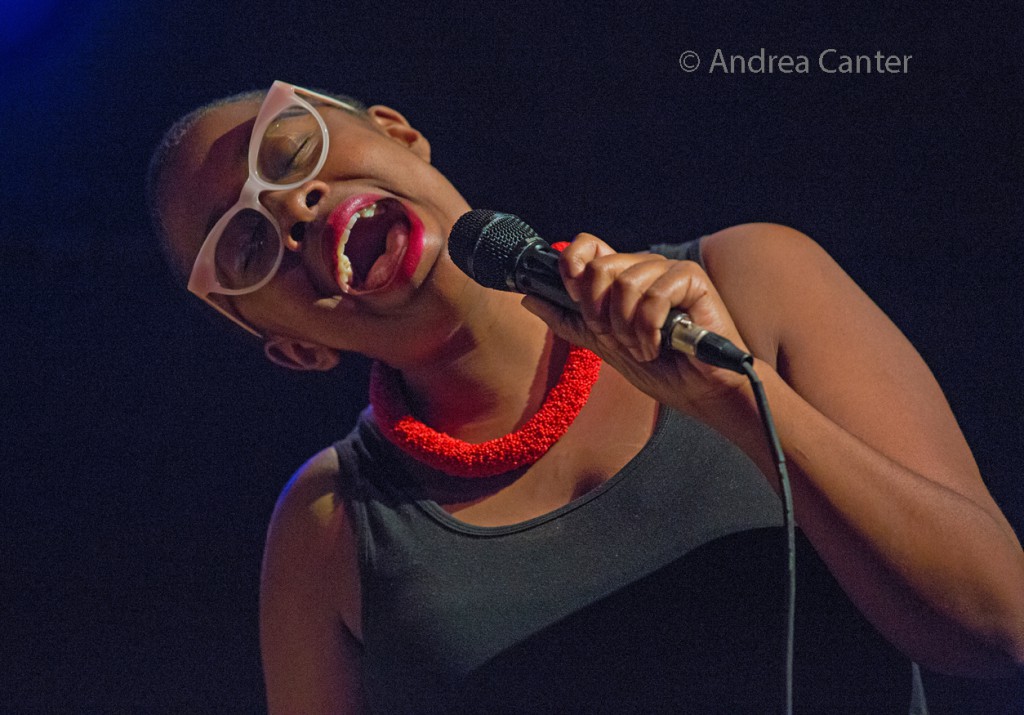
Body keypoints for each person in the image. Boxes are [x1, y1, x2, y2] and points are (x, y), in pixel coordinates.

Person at [148, 81, 1024, 714]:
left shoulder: (753, 281)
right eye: (248, 247)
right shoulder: (329, 527)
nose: (297, 207)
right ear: (298, 348)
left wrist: (734, 403)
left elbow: (996, 625)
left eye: (293, 150)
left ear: (399, 136)